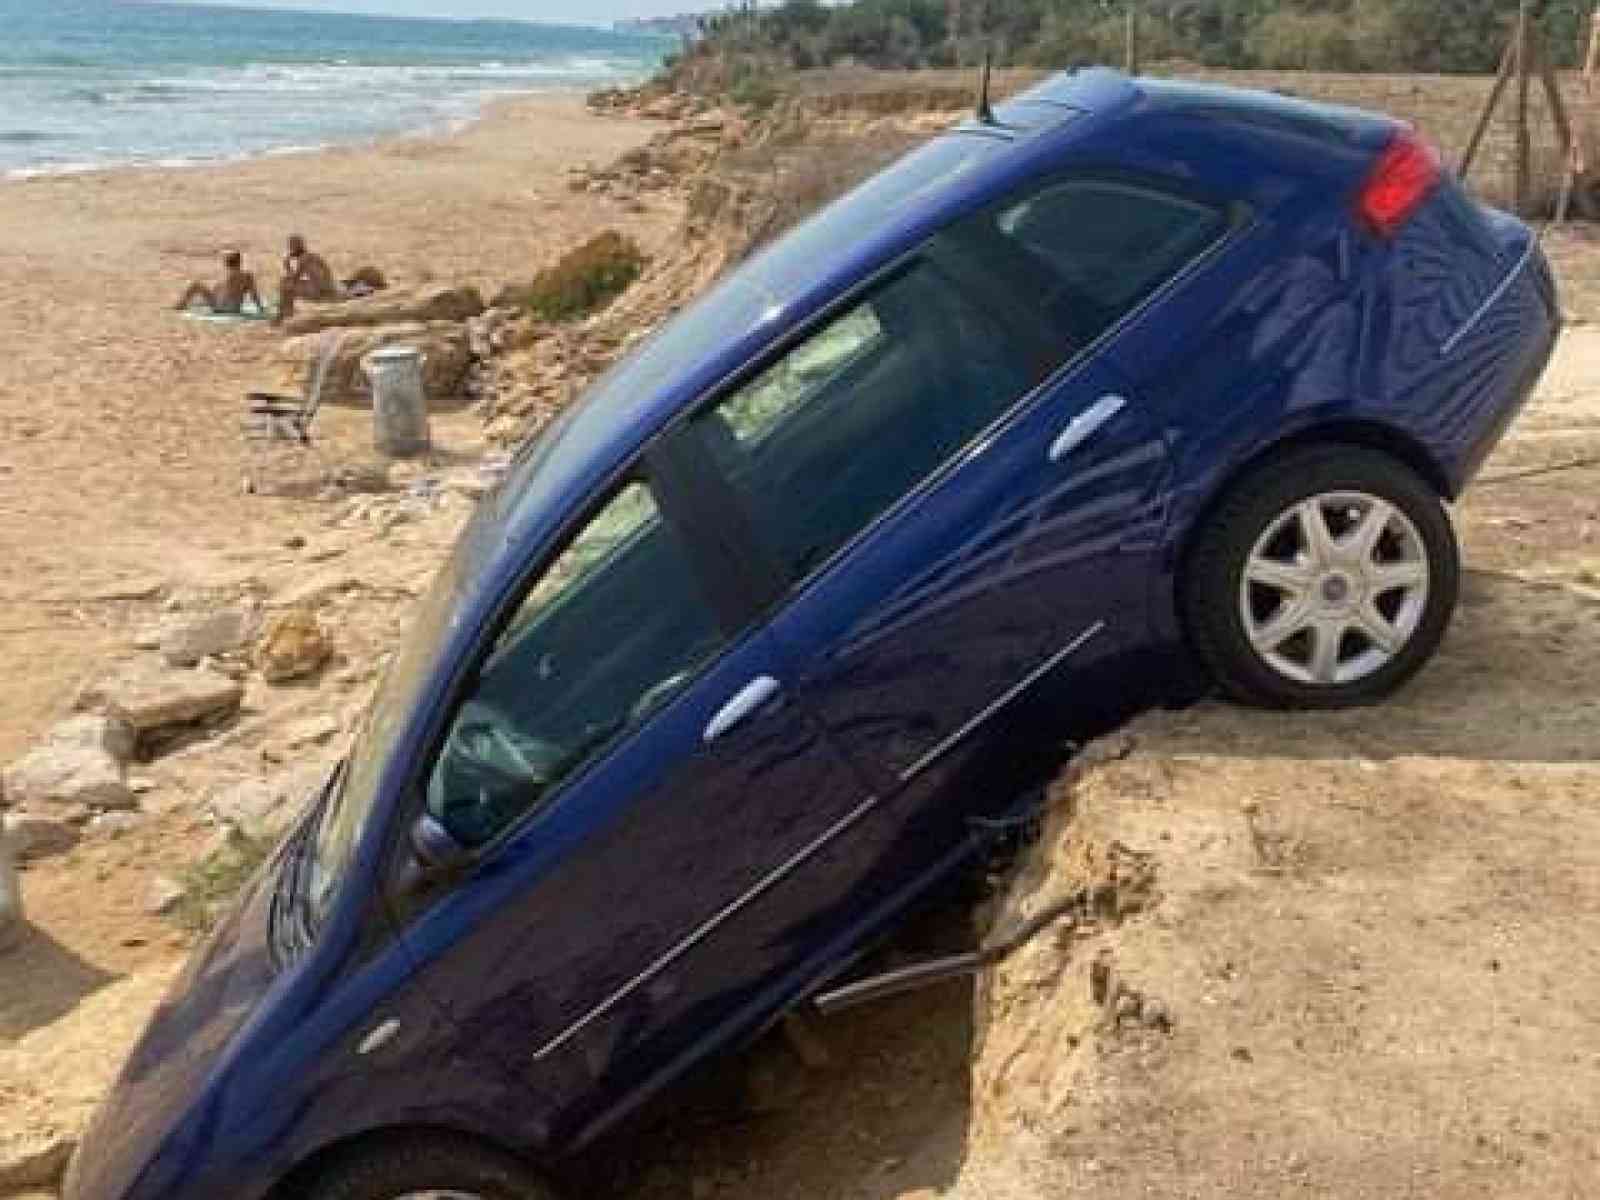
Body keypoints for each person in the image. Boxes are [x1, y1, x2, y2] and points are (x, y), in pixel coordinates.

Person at [173, 251, 263, 315]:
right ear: (240, 262)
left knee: (196, 285)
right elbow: (254, 296)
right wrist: (260, 309)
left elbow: (218, 293)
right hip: (232, 309)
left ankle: (180, 305)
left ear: (226, 264)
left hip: (220, 307)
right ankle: (181, 306)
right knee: (202, 289)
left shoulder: (227, 276)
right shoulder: (247, 276)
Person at [276, 234, 340, 322]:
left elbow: (294, 279)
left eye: (291, 246)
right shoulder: (311, 256)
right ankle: (286, 312)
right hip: (326, 288)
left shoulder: (304, 258)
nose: (290, 249)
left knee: (286, 286)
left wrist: (287, 266)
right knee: (286, 282)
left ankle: (284, 314)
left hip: (321, 291)